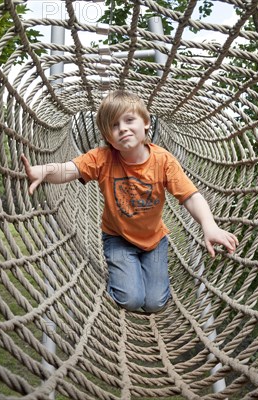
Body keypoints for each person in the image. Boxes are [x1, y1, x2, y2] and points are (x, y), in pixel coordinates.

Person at [21, 90, 238, 313]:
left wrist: (208, 225)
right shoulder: (101, 158)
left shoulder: (163, 161)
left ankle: (140, 273)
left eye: (129, 120)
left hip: (154, 240)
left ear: (145, 123)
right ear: (108, 136)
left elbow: (191, 196)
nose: (122, 128)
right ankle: (123, 277)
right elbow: (69, 170)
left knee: (155, 304)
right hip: (118, 238)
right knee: (131, 300)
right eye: (114, 125)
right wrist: (43, 171)